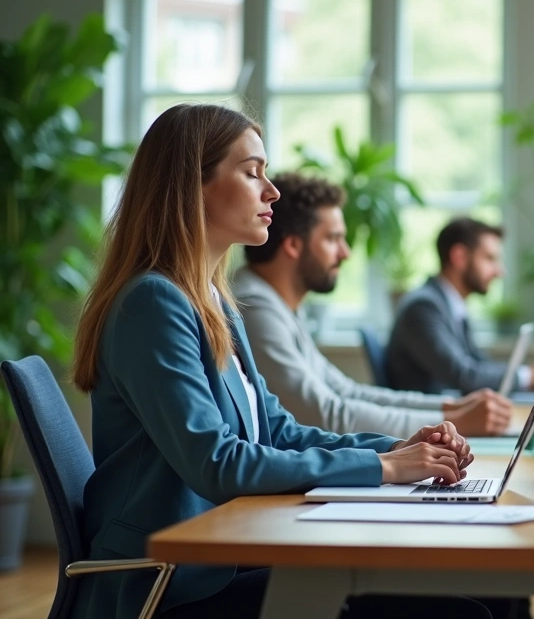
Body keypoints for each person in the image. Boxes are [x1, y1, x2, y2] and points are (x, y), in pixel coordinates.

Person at [69, 104, 488, 619]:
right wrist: (382, 468)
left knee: (454, 598)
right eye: (252, 173)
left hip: (225, 556)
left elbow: (278, 432)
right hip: (169, 585)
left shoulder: (216, 302)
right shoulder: (153, 304)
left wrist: (399, 447)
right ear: (192, 185)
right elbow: (217, 462)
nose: (272, 192)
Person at [234, 172, 513, 438]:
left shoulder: (280, 306)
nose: (346, 252)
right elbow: (322, 414)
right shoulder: (255, 308)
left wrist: (450, 408)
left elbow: (348, 392)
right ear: (293, 245)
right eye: (333, 239)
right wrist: (456, 421)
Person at [387, 217, 534, 394]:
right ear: (459, 257)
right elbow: (464, 375)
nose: (500, 271)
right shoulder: (423, 308)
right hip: (433, 417)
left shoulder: (451, 306)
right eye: (490, 258)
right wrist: (529, 375)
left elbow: (478, 364)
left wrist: (527, 375)